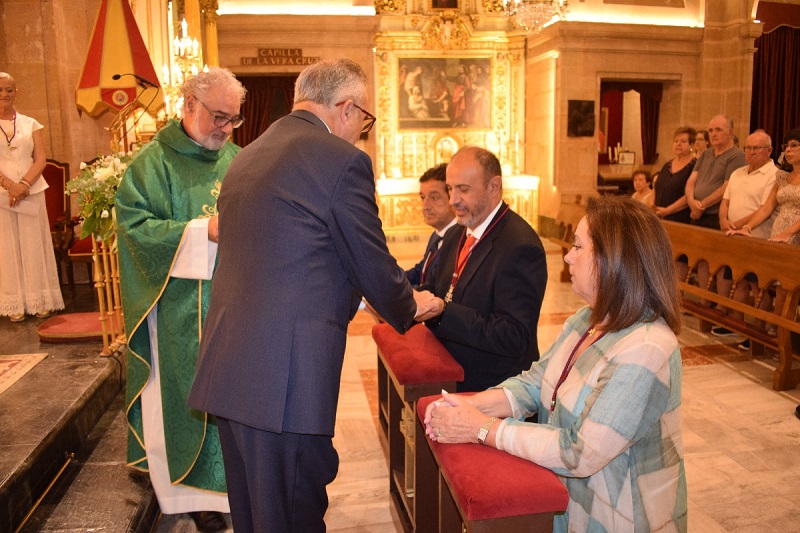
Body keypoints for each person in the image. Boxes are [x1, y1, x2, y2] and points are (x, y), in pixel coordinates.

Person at [187, 59, 440, 533]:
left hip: (230, 371)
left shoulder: (248, 154)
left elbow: (292, 258)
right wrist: (410, 304)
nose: (360, 133)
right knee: (294, 514)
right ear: (345, 108)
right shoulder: (341, 161)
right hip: (285, 384)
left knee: (255, 516)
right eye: (363, 120)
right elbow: (368, 256)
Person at [424, 195, 686, 533]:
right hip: (566, 501)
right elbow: (536, 383)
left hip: (619, 514)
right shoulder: (586, 320)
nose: (567, 256)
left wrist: (481, 427)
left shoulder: (647, 349)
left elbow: (580, 453)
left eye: (578, 247)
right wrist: (472, 404)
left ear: (614, 260)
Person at [115, 67, 246, 533]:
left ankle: (232, 485)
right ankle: (188, 496)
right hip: (174, 308)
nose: (225, 129)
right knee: (182, 394)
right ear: (189, 104)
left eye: (233, 119)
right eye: (218, 117)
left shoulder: (238, 159)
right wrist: (199, 230)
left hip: (232, 304)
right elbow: (132, 228)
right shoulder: (153, 164)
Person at [421, 146, 547, 392]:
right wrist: (407, 298)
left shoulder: (520, 246)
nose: (453, 199)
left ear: (493, 186)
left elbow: (514, 336)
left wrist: (442, 312)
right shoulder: (457, 231)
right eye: (450, 188)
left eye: (463, 189)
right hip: (450, 368)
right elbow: (435, 287)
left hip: (493, 386)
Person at [0, 72, 64, 322]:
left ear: (16, 92)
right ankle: (14, 302)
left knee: (33, 243)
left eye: (8, 89)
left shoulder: (31, 123)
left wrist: (24, 184)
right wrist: (9, 185)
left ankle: (40, 300)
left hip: (31, 191)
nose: (3, 94)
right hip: (2, 195)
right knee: (7, 246)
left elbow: (41, 159)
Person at [727, 128, 800, 342]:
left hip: (795, 234)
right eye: (786, 146)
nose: (788, 150)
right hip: (779, 234)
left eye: (795, 145)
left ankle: (787, 338)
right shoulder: (783, 176)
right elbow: (767, 208)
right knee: (779, 289)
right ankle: (778, 336)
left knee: (791, 290)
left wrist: (789, 233)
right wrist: (747, 227)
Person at [711, 130, 778, 342]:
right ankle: (737, 325)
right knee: (737, 282)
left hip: (758, 237)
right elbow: (725, 201)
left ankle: (757, 330)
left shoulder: (774, 174)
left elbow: (763, 208)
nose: (751, 152)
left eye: (756, 148)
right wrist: (724, 220)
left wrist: (738, 225)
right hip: (734, 236)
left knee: (758, 286)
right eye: (748, 148)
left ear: (769, 150)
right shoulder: (738, 172)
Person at [685, 115, 746, 304]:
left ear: (730, 132)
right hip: (697, 213)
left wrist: (701, 205)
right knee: (701, 261)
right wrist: (692, 202)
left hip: (715, 216)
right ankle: (704, 301)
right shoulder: (705, 154)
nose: (713, 134)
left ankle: (720, 306)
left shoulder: (736, 156)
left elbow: (727, 187)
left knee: (718, 263)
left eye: (718, 129)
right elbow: (691, 181)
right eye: (711, 130)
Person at [406, 163, 458, 286]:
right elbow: (421, 271)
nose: (425, 206)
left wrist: (396, 294)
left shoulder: (460, 239)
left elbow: (437, 288)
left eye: (434, 198)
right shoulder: (436, 235)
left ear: (452, 197)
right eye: (423, 198)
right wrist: (389, 281)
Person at [654, 126, 696, 224]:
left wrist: (668, 210)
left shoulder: (695, 165)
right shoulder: (667, 165)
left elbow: (690, 195)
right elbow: (657, 186)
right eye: (676, 141)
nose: (678, 144)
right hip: (659, 217)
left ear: (691, 145)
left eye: (683, 141)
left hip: (680, 219)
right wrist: (653, 206)